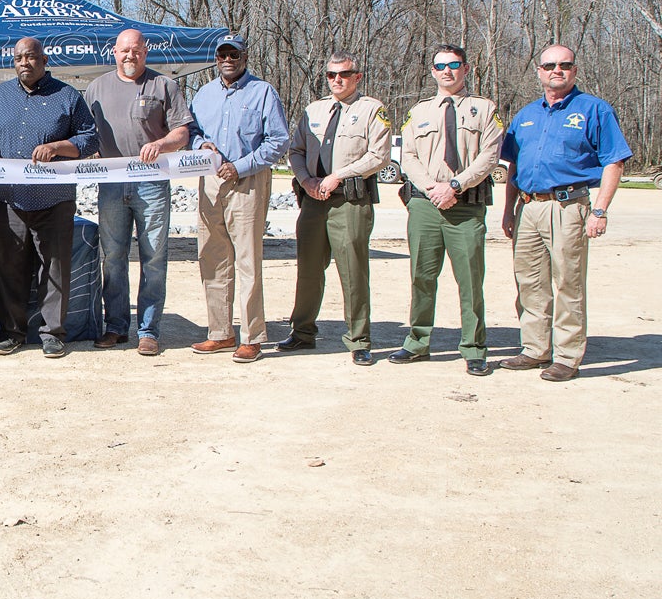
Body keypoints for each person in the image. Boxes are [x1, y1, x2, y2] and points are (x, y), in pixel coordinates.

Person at [494, 45, 631, 382]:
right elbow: (513, 166)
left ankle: (567, 356)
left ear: (574, 70)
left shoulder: (594, 110)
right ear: (539, 71)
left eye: (564, 65)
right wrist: (509, 210)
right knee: (529, 282)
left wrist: (599, 210)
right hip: (527, 207)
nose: (557, 70)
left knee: (568, 282)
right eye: (550, 65)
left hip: (568, 207)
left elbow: (614, 161)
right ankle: (534, 348)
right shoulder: (526, 115)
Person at [0, 37, 99, 359]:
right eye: (18, 58)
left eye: (30, 57)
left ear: (44, 60)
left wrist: (58, 148)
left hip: (53, 199)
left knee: (54, 269)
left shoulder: (68, 96)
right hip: (7, 199)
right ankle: (11, 333)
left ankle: (53, 333)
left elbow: (88, 139)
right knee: (9, 268)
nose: (24, 63)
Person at [388, 44, 503, 376]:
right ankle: (417, 341)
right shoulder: (419, 111)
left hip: (465, 207)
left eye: (454, 65)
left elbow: (489, 155)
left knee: (469, 280)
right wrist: (432, 188)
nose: (447, 71)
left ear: (466, 68)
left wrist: (455, 186)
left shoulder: (484, 108)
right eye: (440, 66)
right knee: (422, 277)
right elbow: (407, 156)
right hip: (426, 206)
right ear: (433, 72)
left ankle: (474, 347)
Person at [83, 28, 192, 356]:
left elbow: (183, 132)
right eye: (124, 50)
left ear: (146, 52)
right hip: (112, 183)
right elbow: (84, 132)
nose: (130, 56)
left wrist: (161, 144)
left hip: (152, 183)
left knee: (154, 257)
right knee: (113, 258)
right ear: (113, 52)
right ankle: (116, 326)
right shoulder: (96, 89)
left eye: (137, 50)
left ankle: (149, 330)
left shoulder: (164, 86)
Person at [280, 52, 392, 365]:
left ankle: (359, 340)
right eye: (331, 75)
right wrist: (305, 181)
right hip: (314, 200)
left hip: (350, 200)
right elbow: (297, 150)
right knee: (309, 270)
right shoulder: (313, 110)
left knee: (353, 271)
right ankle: (302, 332)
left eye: (344, 74)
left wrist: (337, 176)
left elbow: (378, 156)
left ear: (357, 76)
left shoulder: (372, 110)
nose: (337, 80)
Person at [187, 33, 289, 363]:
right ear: (215, 59)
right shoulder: (203, 95)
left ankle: (252, 336)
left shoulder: (262, 93)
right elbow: (190, 131)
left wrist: (240, 166)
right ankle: (220, 332)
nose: (228, 60)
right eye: (222, 55)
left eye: (234, 54)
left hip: (248, 183)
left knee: (248, 261)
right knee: (213, 258)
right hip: (211, 183)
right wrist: (200, 145)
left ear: (245, 58)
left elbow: (277, 141)